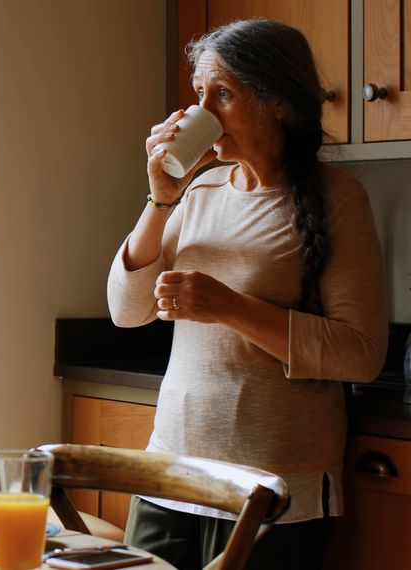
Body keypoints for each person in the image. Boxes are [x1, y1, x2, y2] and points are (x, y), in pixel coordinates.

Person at [107, 19, 387, 569]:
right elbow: (126, 310)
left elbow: (361, 353)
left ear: (277, 102)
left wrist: (229, 307)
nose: (200, 114)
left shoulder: (339, 199)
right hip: (173, 471)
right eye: (198, 95)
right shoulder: (201, 190)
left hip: (276, 487)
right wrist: (160, 198)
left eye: (224, 94)